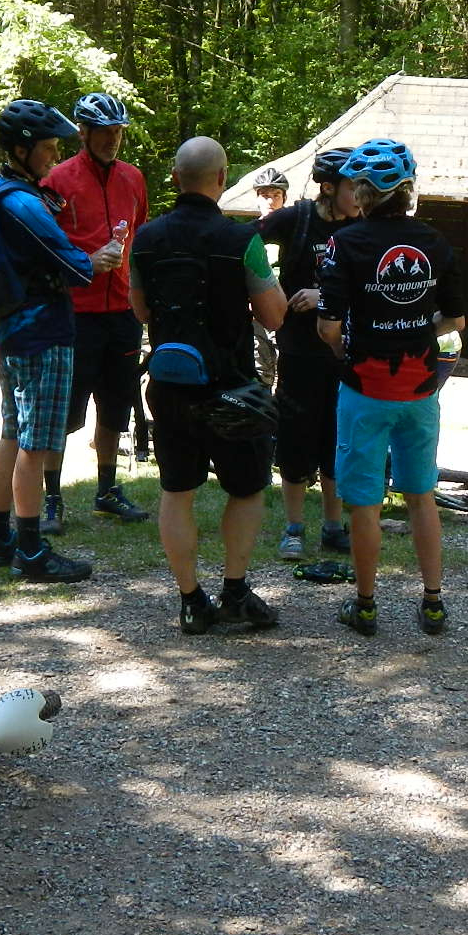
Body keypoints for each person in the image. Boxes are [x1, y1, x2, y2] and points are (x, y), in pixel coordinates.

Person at [130, 137, 289, 634]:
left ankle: (191, 601)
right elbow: (275, 315)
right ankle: (236, 591)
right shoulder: (243, 240)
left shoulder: (146, 238)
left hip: (170, 388)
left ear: (175, 180)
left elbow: (140, 310)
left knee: (177, 492)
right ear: (221, 180)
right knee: (246, 490)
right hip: (231, 391)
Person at [316, 139, 466, 638]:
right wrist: (417, 328)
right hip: (421, 387)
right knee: (422, 495)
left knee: (365, 501)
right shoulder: (436, 243)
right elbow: (457, 319)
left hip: (366, 387)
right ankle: (434, 602)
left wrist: (347, 351)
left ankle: (365, 605)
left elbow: (328, 327)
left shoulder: (346, 243)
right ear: (407, 190)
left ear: (361, 192)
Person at [0, 99, 120, 583]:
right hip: (44, 332)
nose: (54, 158)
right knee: (35, 445)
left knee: (13, 435)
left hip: (13, 328)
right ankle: (33, 551)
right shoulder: (22, 201)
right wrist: (96, 259)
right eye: (48, 149)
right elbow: (70, 263)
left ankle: (1, 540)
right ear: (22, 149)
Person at [45, 92, 152, 531]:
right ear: (82, 133)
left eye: (119, 132)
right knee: (64, 414)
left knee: (115, 408)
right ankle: (51, 499)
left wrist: (142, 300)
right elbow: (45, 248)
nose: (113, 140)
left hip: (121, 312)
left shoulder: (133, 178)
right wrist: (88, 259)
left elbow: (140, 241)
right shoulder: (57, 180)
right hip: (76, 313)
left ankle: (106, 491)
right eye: (105, 132)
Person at [259, 147, 358, 561]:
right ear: (329, 187)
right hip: (298, 350)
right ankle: (294, 527)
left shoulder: (363, 226)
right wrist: (269, 292)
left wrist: (325, 296)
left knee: (337, 438)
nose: (361, 193)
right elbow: (243, 242)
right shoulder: (297, 219)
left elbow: (371, 286)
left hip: (344, 351)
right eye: (354, 185)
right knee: (298, 436)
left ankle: (334, 526)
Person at [250, 166, 291, 387]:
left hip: (289, 312)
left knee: (289, 375)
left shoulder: (296, 230)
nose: (271, 201)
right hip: (256, 314)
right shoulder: (248, 235)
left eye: (276, 195)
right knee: (260, 373)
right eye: (265, 195)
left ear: (284, 198)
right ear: (257, 199)